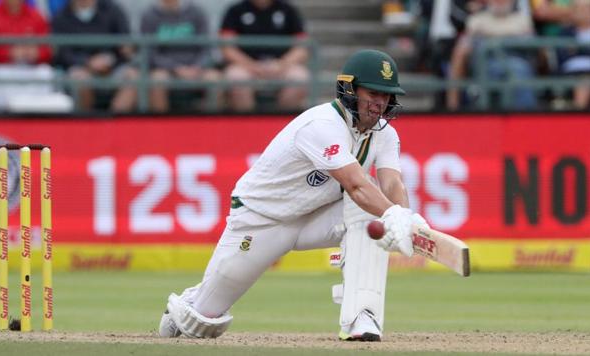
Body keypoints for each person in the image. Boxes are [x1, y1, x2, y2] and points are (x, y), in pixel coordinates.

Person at [158, 49, 429, 341]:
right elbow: (355, 184)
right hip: (262, 220)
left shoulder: (385, 134)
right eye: (373, 93)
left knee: (372, 215)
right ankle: (188, 304)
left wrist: (405, 217)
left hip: (314, 217)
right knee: (203, 322)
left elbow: (392, 183)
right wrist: (394, 215)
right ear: (349, 89)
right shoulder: (322, 125)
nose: (380, 103)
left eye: (386, 95)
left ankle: (362, 317)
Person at [0, 0, 69, 112]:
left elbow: (48, 50)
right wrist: (9, 53)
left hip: (30, 65)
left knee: (45, 72)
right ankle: (5, 115)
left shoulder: (36, 15)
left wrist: (36, 53)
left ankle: (41, 114)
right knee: (2, 76)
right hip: (0, 66)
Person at [219, 0, 310, 112]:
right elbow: (227, 48)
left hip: (281, 66)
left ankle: (284, 124)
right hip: (245, 66)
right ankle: (247, 124)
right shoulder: (235, 10)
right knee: (236, 77)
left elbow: (302, 48)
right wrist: (251, 66)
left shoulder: (288, 10)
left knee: (299, 77)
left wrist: (281, 64)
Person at [446, 0, 537, 110]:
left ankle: (524, 120)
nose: (500, 1)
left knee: (518, 71)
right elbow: (461, 53)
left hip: (520, 74)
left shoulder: (523, 21)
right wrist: (452, 105)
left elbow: (539, 53)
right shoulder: (476, 21)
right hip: (485, 71)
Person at [51, 0, 138, 112]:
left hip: (113, 67)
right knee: (79, 80)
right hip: (80, 68)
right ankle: (86, 125)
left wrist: (110, 60)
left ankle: (113, 123)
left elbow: (125, 44)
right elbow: (62, 54)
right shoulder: (61, 16)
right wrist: (87, 62)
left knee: (134, 77)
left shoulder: (113, 10)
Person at [140, 0, 221, 112]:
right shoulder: (150, 15)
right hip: (164, 69)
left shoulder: (197, 12)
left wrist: (197, 67)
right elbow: (151, 53)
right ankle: (161, 126)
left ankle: (208, 125)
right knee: (157, 80)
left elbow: (206, 48)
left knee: (215, 79)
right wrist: (175, 68)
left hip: (196, 68)